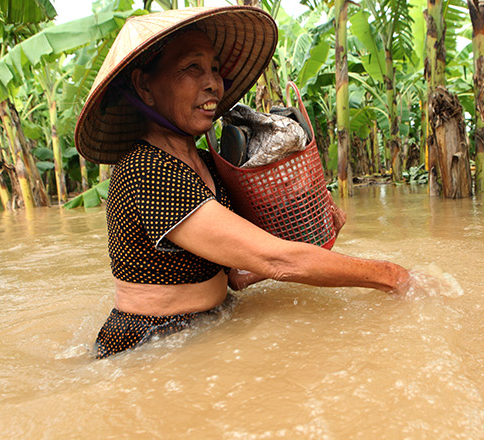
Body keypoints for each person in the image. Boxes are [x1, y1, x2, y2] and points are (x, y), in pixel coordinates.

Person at [74, 6, 410, 359]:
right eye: (192, 67)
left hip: (210, 322)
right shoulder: (145, 170)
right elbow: (276, 259)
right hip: (150, 345)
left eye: (215, 69)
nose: (212, 83)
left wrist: (317, 241)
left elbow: (234, 276)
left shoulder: (206, 163)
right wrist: (393, 276)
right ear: (145, 85)